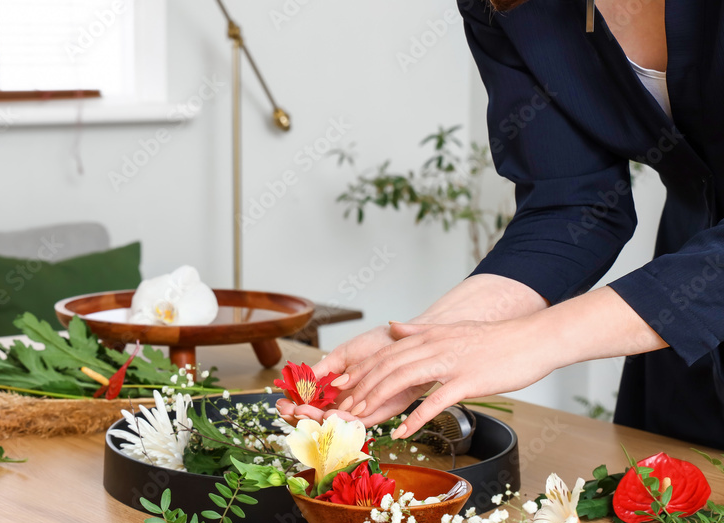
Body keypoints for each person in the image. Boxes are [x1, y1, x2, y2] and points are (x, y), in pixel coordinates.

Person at [279, 0, 724, 449]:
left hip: (675, 301)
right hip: (675, 329)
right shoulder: (507, 5)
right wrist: (426, 343)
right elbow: (572, 204)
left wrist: (535, 340)